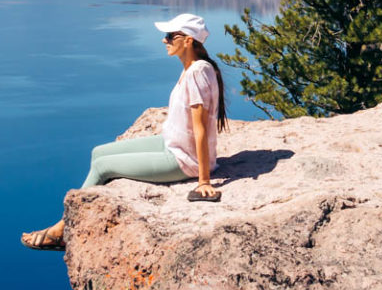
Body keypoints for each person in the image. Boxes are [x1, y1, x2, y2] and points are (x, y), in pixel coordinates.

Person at [21, 13, 228, 250]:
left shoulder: (197, 72)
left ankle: (63, 229)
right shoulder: (195, 67)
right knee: (98, 152)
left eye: (170, 36)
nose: (165, 40)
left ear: (188, 40)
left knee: (102, 167)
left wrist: (203, 181)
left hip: (183, 159)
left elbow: (200, 128)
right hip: (171, 144)